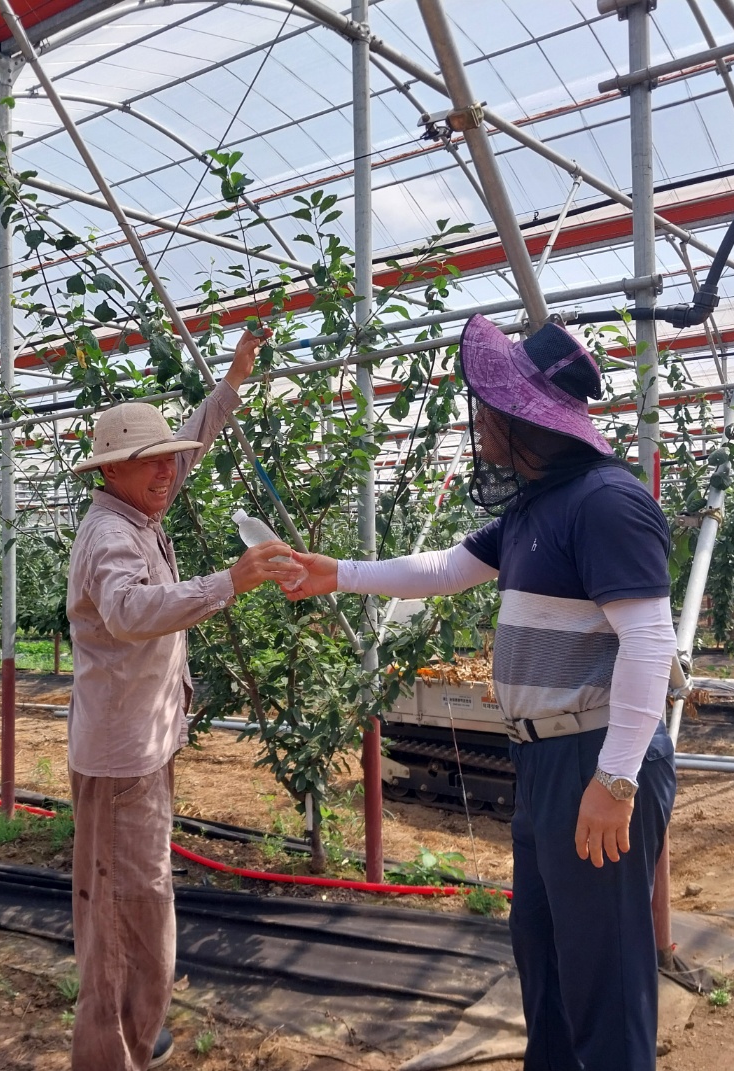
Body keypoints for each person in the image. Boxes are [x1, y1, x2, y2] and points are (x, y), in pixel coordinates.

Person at [287, 314, 678, 1071]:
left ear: (521, 416)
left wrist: (617, 777)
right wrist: (336, 571)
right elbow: (440, 569)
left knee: (606, 982)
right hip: (543, 761)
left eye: (488, 403)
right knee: (547, 961)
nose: (480, 418)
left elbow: (650, 641)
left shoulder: (606, 502)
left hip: (592, 758)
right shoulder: (536, 506)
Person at [65, 327, 303, 1071]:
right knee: (121, 910)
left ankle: (141, 1023)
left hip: (144, 744)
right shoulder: (110, 535)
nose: (169, 471)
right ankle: (112, 1052)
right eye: (152, 463)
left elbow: (189, 447)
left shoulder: (141, 511)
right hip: (119, 757)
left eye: (170, 459)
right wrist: (228, 581)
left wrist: (231, 380)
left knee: (143, 898)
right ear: (114, 472)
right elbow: (131, 613)